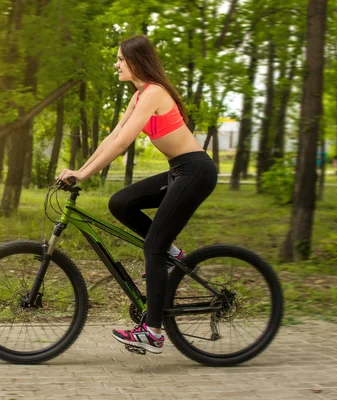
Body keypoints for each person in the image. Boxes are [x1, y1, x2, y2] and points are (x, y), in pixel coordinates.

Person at [57, 35, 218, 354]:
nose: (116, 64)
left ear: (135, 61)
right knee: (120, 203)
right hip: (179, 171)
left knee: (153, 248)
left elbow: (122, 143)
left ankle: (154, 332)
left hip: (195, 171)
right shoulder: (140, 94)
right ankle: (173, 254)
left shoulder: (154, 93)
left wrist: (85, 174)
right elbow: (112, 136)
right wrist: (79, 169)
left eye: (120, 59)